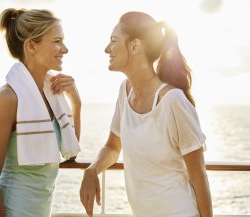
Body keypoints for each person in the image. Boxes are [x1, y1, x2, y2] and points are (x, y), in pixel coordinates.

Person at [80, 11, 213, 217]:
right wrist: (92, 170)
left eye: (113, 41)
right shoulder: (125, 92)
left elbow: (198, 176)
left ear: (135, 46)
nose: (107, 48)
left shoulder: (173, 101)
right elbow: (113, 146)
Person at [0, 8, 81, 217]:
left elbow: (70, 150)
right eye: (57, 41)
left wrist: (76, 103)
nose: (65, 49)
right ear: (32, 46)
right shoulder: (7, 98)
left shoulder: (52, 95)